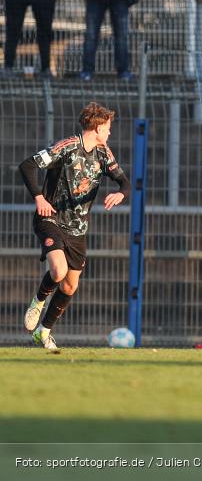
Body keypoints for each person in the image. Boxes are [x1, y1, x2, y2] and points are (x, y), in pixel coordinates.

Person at [19, 102, 130, 350]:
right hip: (51, 219)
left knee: (70, 285)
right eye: (108, 128)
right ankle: (37, 302)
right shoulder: (66, 147)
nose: (110, 133)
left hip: (78, 229)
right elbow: (27, 165)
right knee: (58, 271)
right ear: (99, 127)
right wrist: (39, 197)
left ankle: (44, 332)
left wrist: (121, 193)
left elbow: (124, 182)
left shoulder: (104, 153)